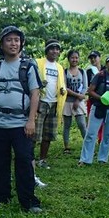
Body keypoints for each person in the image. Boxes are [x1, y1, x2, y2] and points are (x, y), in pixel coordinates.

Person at [0, 25, 44, 212]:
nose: (13, 43)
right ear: (1, 44)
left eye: (17, 40)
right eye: (9, 40)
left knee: (24, 160)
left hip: (21, 123)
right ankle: (1, 199)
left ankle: (28, 201)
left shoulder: (29, 68)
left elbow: (35, 94)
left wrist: (31, 120)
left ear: (21, 44)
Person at [79, 53, 109, 165]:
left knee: (108, 134)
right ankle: (85, 159)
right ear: (107, 63)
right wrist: (100, 98)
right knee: (91, 133)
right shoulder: (99, 75)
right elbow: (90, 91)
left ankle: (103, 159)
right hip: (98, 106)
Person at [34, 39, 67, 169]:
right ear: (47, 50)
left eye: (57, 49)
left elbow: (62, 83)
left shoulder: (59, 67)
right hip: (40, 102)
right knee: (34, 134)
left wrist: (62, 90)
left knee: (48, 134)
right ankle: (29, 159)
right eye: (52, 48)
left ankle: (42, 159)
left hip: (54, 103)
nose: (55, 51)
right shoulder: (38, 63)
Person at [63, 49, 88, 154]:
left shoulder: (83, 72)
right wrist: (78, 95)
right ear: (69, 59)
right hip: (67, 101)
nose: (74, 59)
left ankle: (87, 146)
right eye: (72, 57)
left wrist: (78, 99)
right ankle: (66, 147)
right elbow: (64, 87)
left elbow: (85, 87)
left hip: (79, 102)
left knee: (82, 124)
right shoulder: (64, 72)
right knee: (67, 125)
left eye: (76, 57)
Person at [86, 51, 104, 143]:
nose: (93, 59)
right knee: (92, 120)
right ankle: (92, 138)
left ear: (99, 57)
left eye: (95, 57)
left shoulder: (105, 69)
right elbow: (87, 84)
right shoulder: (89, 71)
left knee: (104, 120)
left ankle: (102, 138)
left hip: (105, 99)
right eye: (91, 58)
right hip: (93, 99)